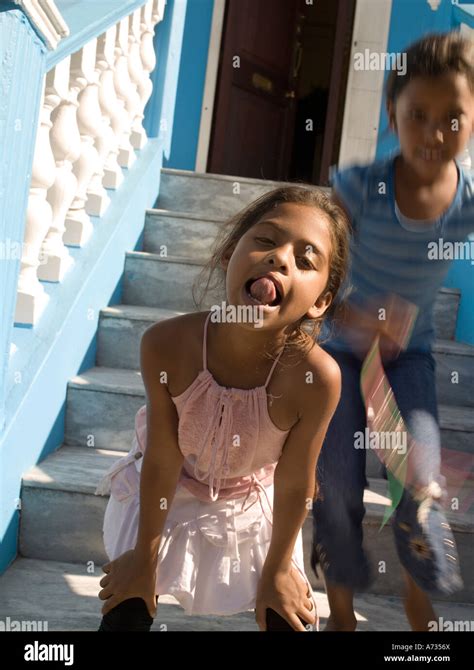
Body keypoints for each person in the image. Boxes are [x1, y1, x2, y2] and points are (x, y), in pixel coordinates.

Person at [95, 185, 350, 631]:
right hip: (164, 489)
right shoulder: (166, 345)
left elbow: (293, 485)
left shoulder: (316, 379)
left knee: (286, 612)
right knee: (128, 600)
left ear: (321, 302)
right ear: (231, 252)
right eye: (266, 241)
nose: (280, 259)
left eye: (306, 260)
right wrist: (144, 558)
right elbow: (162, 456)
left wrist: (275, 573)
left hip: (251, 501)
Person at [312, 31, 473, 631]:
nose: (434, 134)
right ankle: (342, 612)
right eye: (417, 117)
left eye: (453, 118)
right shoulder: (358, 189)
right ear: (392, 116)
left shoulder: (468, 204)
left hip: (410, 360)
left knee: (421, 478)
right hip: (340, 355)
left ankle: (417, 591)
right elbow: (315, 273)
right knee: (338, 479)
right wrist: (358, 315)